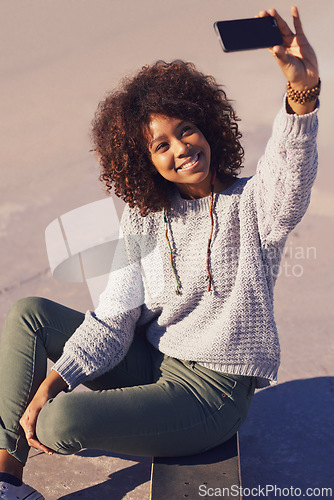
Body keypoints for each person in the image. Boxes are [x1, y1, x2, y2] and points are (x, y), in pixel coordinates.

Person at [0, 7, 319, 499]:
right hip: (156, 359)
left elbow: (289, 175)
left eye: (186, 129)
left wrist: (301, 93)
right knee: (29, 315)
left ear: (208, 125)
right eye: (160, 145)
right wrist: (58, 378)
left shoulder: (254, 204)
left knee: (61, 421)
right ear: (144, 161)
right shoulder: (148, 213)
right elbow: (114, 318)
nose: (180, 149)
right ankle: (5, 478)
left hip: (211, 394)